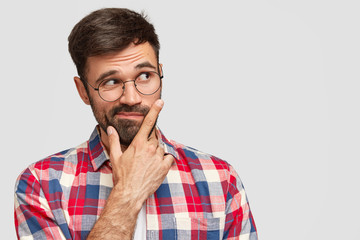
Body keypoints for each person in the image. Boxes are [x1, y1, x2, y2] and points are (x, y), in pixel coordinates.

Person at [14, 8, 257, 240]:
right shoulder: (42, 184)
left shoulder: (220, 179)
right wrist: (127, 194)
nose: (131, 98)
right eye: (110, 81)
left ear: (160, 74)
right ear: (83, 91)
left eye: (144, 76)